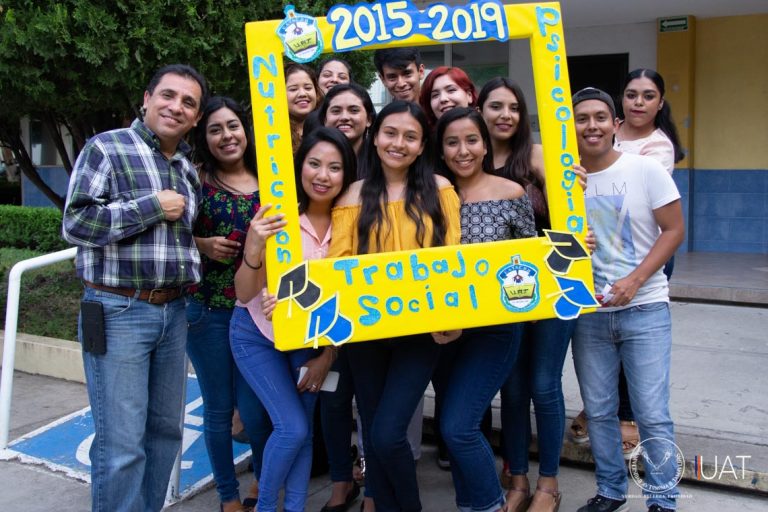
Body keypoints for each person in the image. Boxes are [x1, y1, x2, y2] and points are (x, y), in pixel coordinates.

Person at [62, 64, 207, 512]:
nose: (176, 107)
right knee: (122, 443)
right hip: (118, 310)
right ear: (146, 99)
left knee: (165, 432)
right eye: (168, 95)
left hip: (174, 312)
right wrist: (151, 207)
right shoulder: (106, 147)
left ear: (196, 118)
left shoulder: (184, 166)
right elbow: (76, 222)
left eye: (188, 102)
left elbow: (171, 238)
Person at [329, 101, 461, 512]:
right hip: (366, 333)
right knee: (372, 432)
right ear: (374, 136)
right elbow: (339, 262)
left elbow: (454, 258)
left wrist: (453, 318)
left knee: (387, 433)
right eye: (390, 133)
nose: (398, 143)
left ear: (422, 146)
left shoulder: (439, 189)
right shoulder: (352, 194)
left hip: (420, 335)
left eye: (410, 136)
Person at [230, 127, 357, 512]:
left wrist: (329, 355)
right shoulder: (278, 214)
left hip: (310, 342)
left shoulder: (350, 226)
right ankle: (267, 507)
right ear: (300, 167)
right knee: (293, 428)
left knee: (299, 435)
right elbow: (244, 292)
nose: (323, 175)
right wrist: (254, 247)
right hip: (256, 334)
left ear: (346, 175)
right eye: (315, 164)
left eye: (335, 167)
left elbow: (353, 302)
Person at [571, 87, 684, 512]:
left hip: (646, 307)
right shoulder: (567, 181)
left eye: (600, 117)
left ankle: (662, 499)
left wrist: (635, 280)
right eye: (582, 118)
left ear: (615, 124)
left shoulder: (645, 170)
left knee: (652, 412)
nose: (592, 126)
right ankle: (610, 491)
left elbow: (674, 231)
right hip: (589, 313)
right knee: (598, 411)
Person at [478, 77, 577, 512]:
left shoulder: (536, 157)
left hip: (552, 288)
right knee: (513, 389)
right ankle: (517, 479)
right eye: (495, 106)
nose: (505, 115)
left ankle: (549, 484)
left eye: (513, 107)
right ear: (479, 110)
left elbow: (570, 216)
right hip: (501, 298)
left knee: (543, 384)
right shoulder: (471, 160)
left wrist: (575, 187)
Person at [434, 107, 535, 512]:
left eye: (471, 140)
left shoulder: (510, 193)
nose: (463, 150)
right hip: (440, 330)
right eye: (452, 142)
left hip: (495, 329)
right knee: (462, 425)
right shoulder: (430, 194)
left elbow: (532, 264)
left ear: (486, 144)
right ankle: (469, 504)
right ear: (440, 150)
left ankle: (490, 504)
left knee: (457, 427)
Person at [188, 96, 272, 512]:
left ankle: (260, 476)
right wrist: (201, 243)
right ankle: (229, 496)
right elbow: (168, 238)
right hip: (209, 311)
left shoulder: (271, 177)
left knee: (256, 410)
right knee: (220, 409)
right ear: (205, 138)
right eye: (215, 129)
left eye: (233, 126)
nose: (227, 136)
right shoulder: (195, 179)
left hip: (260, 312)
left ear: (246, 129)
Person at [318, 82, 375, 157]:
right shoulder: (312, 159)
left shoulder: (382, 163)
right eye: (336, 111)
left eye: (354, 110)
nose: (344, 117)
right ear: (325, 119)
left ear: (369, 119)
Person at [286, 62, 323, 153]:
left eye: (308, 88)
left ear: (316, 92)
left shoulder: (329, 124)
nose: (302, 94)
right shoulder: (270, 134)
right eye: (293, 89)